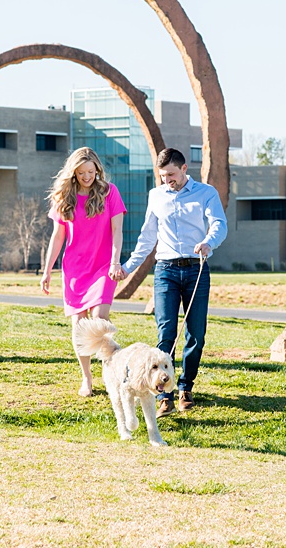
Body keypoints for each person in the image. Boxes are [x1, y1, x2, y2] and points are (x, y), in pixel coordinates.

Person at [111, 147, 227, 417]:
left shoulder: (206, 193)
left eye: (171, 174)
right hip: (165, 271)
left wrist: (209, 243)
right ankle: (165, 395)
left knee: (196, 334)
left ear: (184, 169)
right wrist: (127, 267)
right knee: (166, 334)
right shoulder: (156, 196)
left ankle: (186, 388)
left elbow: (219, 224)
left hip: (196, 268)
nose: (167, 180)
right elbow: (147, 237)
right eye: (162, 176)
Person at [40, 147, 126, 397]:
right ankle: (86, 378)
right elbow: (57, 237)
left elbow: (117, 230)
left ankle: (110, 368)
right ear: (73, 172)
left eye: (91, 171)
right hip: (75, 268)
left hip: (103, 266)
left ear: (97, 169)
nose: (87, 176)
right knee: (79, 325)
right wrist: (47, 271)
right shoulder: (64, 196)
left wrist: (115, 261)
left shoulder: (110, 193)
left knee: (99, 319)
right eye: (81, 172)